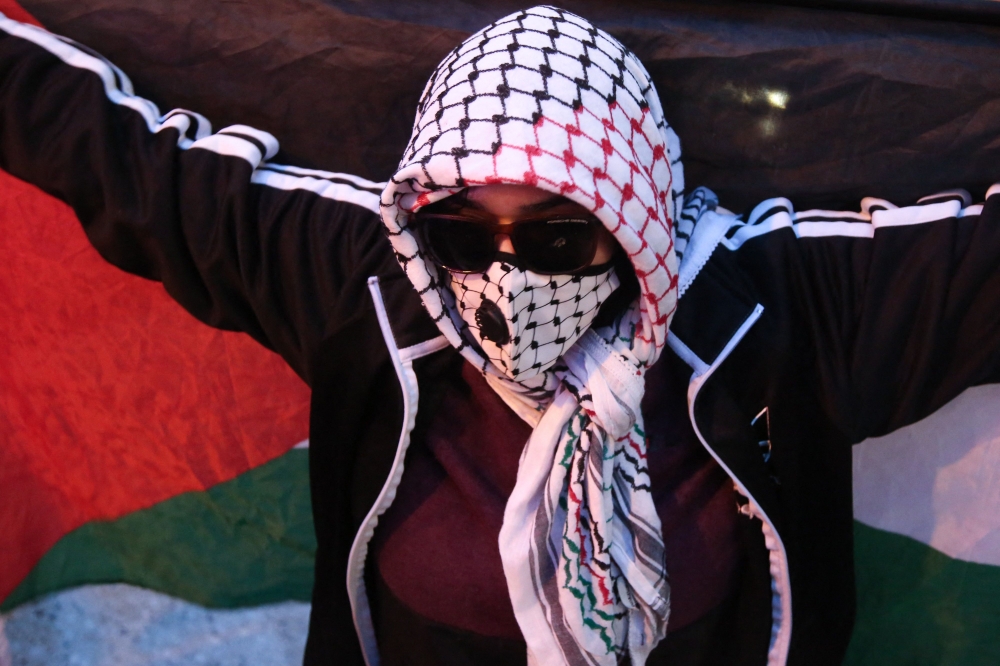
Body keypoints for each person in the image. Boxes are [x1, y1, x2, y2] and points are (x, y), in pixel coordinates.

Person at [1, 4, 998, 666]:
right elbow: (128, 161)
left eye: (561, 236)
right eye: (465, 233)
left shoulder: (777, 319)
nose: (509, 278)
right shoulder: (372, 289)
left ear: (634, 217)